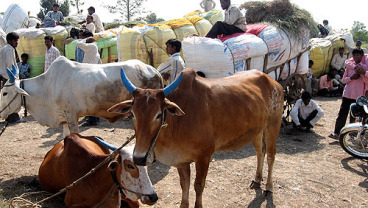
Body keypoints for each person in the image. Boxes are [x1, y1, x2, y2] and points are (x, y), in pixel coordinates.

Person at [329, 48, 368, 139]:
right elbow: (344, 80)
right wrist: (352, 78)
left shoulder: (364, 67)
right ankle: (336, 133)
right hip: (347, 94)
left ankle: (352, 135)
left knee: (354, 115)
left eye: (358, 55)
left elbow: (366, 81)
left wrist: (362, 75)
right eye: (354, 55)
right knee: (342, 113)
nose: (356, 57)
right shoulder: (350, 66)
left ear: (361, 56)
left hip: (358, 96)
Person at [76, 30, 101, 126]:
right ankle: (95, 117)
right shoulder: (95, 47)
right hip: (93, 74)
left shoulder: (91, 46)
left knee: (89, 98)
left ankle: (92, 120)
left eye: (84, 37)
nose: (82, 39)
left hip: (88, 75)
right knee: (93, 98)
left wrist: (86, 39)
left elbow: (78, 43)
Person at [0, 32, 22, 123]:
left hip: (5, 75)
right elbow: (10, 65)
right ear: (9, 41)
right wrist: (14, 78)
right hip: (8, 77)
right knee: (12, 97)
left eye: (17, 41)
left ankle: (9, 116)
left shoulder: (6, 49)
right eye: (14, 41)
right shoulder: (9, 50)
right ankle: (13, 117)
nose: (16, 43)